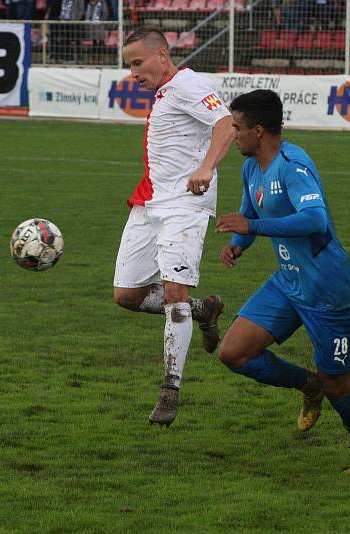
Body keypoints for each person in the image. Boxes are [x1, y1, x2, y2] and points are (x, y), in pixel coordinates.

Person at [215, 89, 350, 475]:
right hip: (288, 282)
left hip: (329, 293)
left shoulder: (293, 166)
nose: (232, 134)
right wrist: (238, 243)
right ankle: (307, 384)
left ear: (259, 130)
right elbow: (250, 211)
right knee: (234, 353)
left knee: (339, 385)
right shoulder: (251, 167)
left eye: (237, 127)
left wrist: (253, 227)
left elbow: (315, 219)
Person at [113, 27, 234, 428]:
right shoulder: (166, 93)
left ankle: (169, 392)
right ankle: (204, 310)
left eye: (137, 63)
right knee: (126, 296)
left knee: (174, 291)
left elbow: (226, 124)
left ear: (162, 55)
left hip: (184, 205)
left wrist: (206, 167)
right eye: (129, 65)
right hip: (149, 203)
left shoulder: (188, 84)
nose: (133, 73)